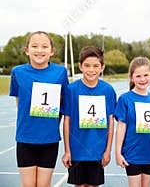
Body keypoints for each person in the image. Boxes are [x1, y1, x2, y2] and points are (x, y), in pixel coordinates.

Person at [9, 31, 69, 187]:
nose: (40, 50)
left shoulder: (60, 72)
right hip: (25, 138)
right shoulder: (17, 72)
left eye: (44, 46)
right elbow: (19, 103)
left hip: (49, 139)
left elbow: (62, 104)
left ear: (52, 51)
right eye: (34, 46)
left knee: (43, 184)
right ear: (27, 50)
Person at [61, 46, 116, 187]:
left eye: (96, 66)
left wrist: (108, 150)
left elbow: (111, 122)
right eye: (87, 65)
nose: (91, 70)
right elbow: (66, 121)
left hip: (97, 151)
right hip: (77, 151)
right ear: (80, 66)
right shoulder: (71, 90)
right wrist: (67, 150)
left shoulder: (108, 90)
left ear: (102, 67)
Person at [114, 57, 150, 187]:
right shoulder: (125, 99)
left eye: (146, 75)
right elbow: (121, 127)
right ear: (131, 77)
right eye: (138, 76)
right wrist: (118, 153)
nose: (142, 79)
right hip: (132, 153)